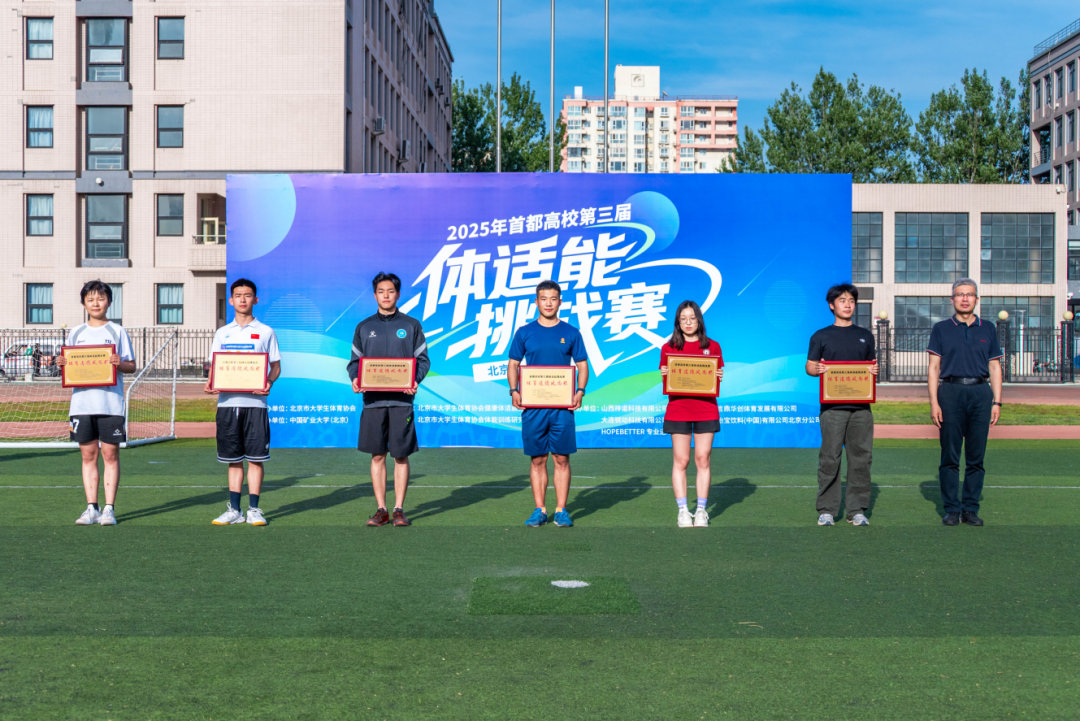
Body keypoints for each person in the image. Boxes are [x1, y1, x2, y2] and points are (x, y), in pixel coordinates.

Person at [347, 272, 430, 527]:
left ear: (398, 294)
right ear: (375, 295)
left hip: (401, 401)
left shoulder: (411, 325)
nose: (386, 295)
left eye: (391, 291)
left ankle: (398, 509)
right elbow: (354, 363)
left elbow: (423, 360)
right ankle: (381, 509)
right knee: (377, 455)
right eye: (381, 291)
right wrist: (355, 378)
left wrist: (414, 380)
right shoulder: (364, 327)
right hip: (372, 401)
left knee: (401, 456)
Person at [507, 280, 589, 528]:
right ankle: (540, 509)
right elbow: (513, 364)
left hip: (562, 408)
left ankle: (561, 510)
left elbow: (582, 365)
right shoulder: (524, 332)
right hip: (533, 408)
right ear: (536, 302)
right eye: (544, 299)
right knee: (537, 459)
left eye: (553, 298)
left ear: (560, 301)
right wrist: (514, 391)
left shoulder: (571, 332)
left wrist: (580, 391)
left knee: (562, 459)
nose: (549, 303)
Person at [205, 279, 281, 526]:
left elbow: (276, 366)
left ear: (255, 300)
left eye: (247, 295)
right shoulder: (222, 333)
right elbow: (216, 366)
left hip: (256, 404)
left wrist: (268, 382)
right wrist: (210, 383)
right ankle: (235, 510)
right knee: (233, 459)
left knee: (256, 458)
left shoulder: (266, 331)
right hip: (228, 404)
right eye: (238, 295)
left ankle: (254, 510)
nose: (243, 299)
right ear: (231, 300)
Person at [927, 278, 1003, 527]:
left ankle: (970, 509)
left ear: (976, 299)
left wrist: (997, 402)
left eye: (969, 294)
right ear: (952, 300)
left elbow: (995, 367)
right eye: (960, 294)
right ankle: (951, 509)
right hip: (950, 393)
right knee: (950, 456)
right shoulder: (941, 328)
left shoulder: (988, 328)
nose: (965, 298)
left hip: (981, 393)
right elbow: (934, 368)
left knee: (975, 457)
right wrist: (934, 403)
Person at [62, 280, 136, 527]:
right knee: (88, 455)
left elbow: (131, 366)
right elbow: (70, 366)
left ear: (109, 302)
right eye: (90, 299)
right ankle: (91, 507)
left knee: (110, 455)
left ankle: (109, 509)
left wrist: (118, 363)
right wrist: (63, 364)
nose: (96, 303)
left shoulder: (118, 331)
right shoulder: (76, 333)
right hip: (81, 405)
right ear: (83, 303)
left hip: (110, 404)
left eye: (101, 298)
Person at [805, 283, 878, 527]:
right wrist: (817, 368)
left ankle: (856, 510)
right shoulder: (821, 335)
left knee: (861, 459)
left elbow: (870, 366)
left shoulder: (865, 335)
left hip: (861, 409)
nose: (848, 305)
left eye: (851, 301)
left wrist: (874, 370)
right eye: (842, 300)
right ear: (831, 305)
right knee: (830, 458)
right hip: (832, 409)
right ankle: (827, 510)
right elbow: (809, 366)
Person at [659, 300, 724, 528]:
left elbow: (715, 378)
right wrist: (665, 373)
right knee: (682, 460)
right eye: (683, 319)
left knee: (702, 458)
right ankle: (683, 511)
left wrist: (718, 376)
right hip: (678, 409)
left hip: (706, 408)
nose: (688, 323)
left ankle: (701, 511)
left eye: (692, 318)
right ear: (677, 322)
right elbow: (667, 382)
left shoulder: (713, 346)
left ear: (699, 320)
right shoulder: (668, 348)